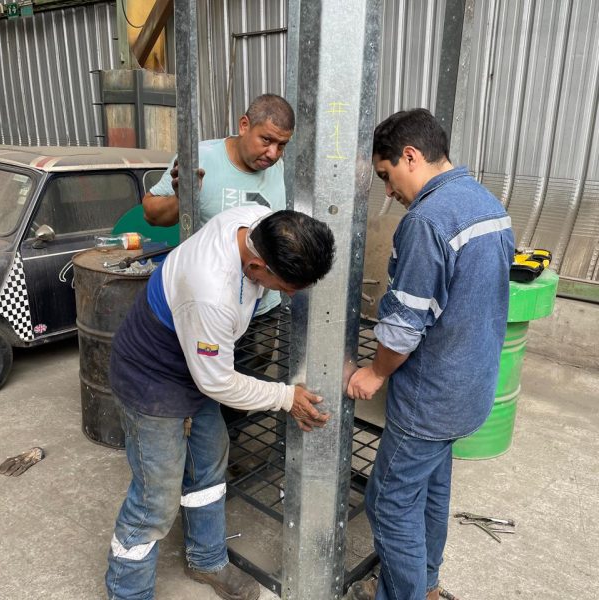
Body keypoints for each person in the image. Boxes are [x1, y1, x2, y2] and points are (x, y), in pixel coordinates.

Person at [106, 205, 336, 600]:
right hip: (152, 378)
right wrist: (285, 397)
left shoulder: (257, 221)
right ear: (256, 266)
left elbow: (210, 376)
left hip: (196, 365)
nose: (291, 294)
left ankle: (207, 559)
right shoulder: (211, 291)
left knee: (209, 465)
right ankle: (127, 593)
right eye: (286, 285)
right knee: (155, 500)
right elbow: (216, 381)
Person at [346, 109, 514, 600]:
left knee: (389, 502)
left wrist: (373, 373)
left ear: (411, 156)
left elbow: (402, 328)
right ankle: (429, 586)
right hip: (473, 386)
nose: (389, 191)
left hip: (431, 397)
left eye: (386, 175)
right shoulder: (487, 204)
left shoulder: (427, 220)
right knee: (432, 488)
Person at [144, 93, 295, 425]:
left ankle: (229, 439)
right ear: (244, 125)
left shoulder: (280, 168)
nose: (273, 153)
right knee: (205, 382)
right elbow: (152, 213)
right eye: (266, 140)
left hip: (261, 307)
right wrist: (184, 197)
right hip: (209, 305)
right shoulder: (201, 158)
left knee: (247, 381)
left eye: (282, 145)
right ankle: (206, 440)